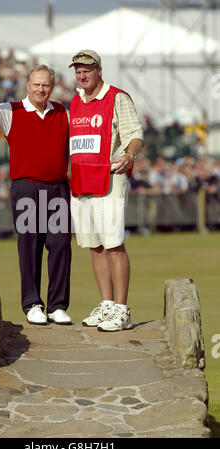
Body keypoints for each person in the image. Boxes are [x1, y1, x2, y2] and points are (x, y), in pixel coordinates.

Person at [0, 60, 72, 325]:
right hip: (26, 187)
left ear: (52, 87)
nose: (41, 89)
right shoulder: (12, 110)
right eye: (36, 84)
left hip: (57, 187)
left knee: (61, 244)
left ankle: (57, 305)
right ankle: (32, 304)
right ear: (28, 85)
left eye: (46, 85)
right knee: (29, 245)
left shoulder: (62, 113)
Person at [68, 50, 144, 332]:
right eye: (77, 70)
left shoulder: (117, 97)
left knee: (113, 244)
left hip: (110, 178)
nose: (82, 74)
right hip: (82, 180)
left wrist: (130, 156)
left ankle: (122, 310)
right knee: (95, 245)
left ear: (99, 70)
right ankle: (107, 304)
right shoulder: (75, 101)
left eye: (87, 69)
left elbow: (135, 135)